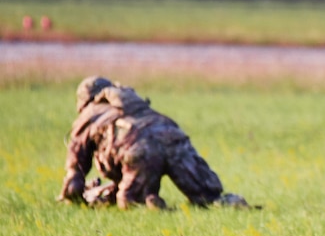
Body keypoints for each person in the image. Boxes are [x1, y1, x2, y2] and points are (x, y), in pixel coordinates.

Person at [57, 76, 248, 209]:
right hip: (173, 137)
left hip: (140, 149)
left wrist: (72, 193)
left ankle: (147, 201)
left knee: (130, 202)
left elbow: (75, 171)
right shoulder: (133, 102)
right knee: (209, 197)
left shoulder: (89, 115)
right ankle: (228, 203)